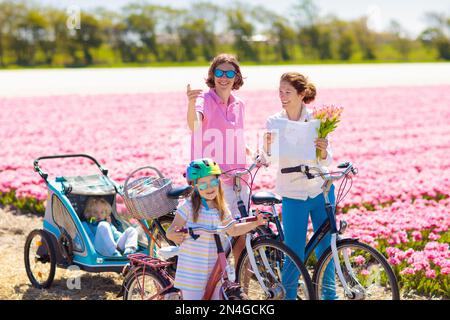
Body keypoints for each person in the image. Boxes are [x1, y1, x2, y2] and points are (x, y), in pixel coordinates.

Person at [262, 72, 337, 300]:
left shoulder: (317, 119)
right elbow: (268, 160)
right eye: (280, 91)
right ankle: (289, 297)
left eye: (288, 92)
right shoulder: (274, 121)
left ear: (301, 94)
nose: (282, 96)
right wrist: (267, 146)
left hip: (320, 190)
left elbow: (326, 160)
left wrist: (323, 149)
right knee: (293, 250)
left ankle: (329, 296)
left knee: (327, 248)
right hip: (293, 193)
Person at [186, 53, 254, 263]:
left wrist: (245, 147)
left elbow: (234, 132)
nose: (224, 77)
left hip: (239, 178)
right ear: (212, 75)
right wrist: (190, 103)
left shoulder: (239, 104)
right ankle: (215, 287)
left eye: (229, 73)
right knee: (218, 239)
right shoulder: (203, 100)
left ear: (236, 77)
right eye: (219, 72)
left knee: (242, 234)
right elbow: (195, 126)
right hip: (213, 180)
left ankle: (239, 287)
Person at [166, 158, 266, 300]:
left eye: (213, 182)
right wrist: (172, 234)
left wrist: (254, 223)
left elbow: (233, 230)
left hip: (214, 270)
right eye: (203, 185)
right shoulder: (188, 207)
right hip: (192, 272)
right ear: (194, 186)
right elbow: (171, 229)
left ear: (218, 182)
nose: (209, 188)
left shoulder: (221, 208)